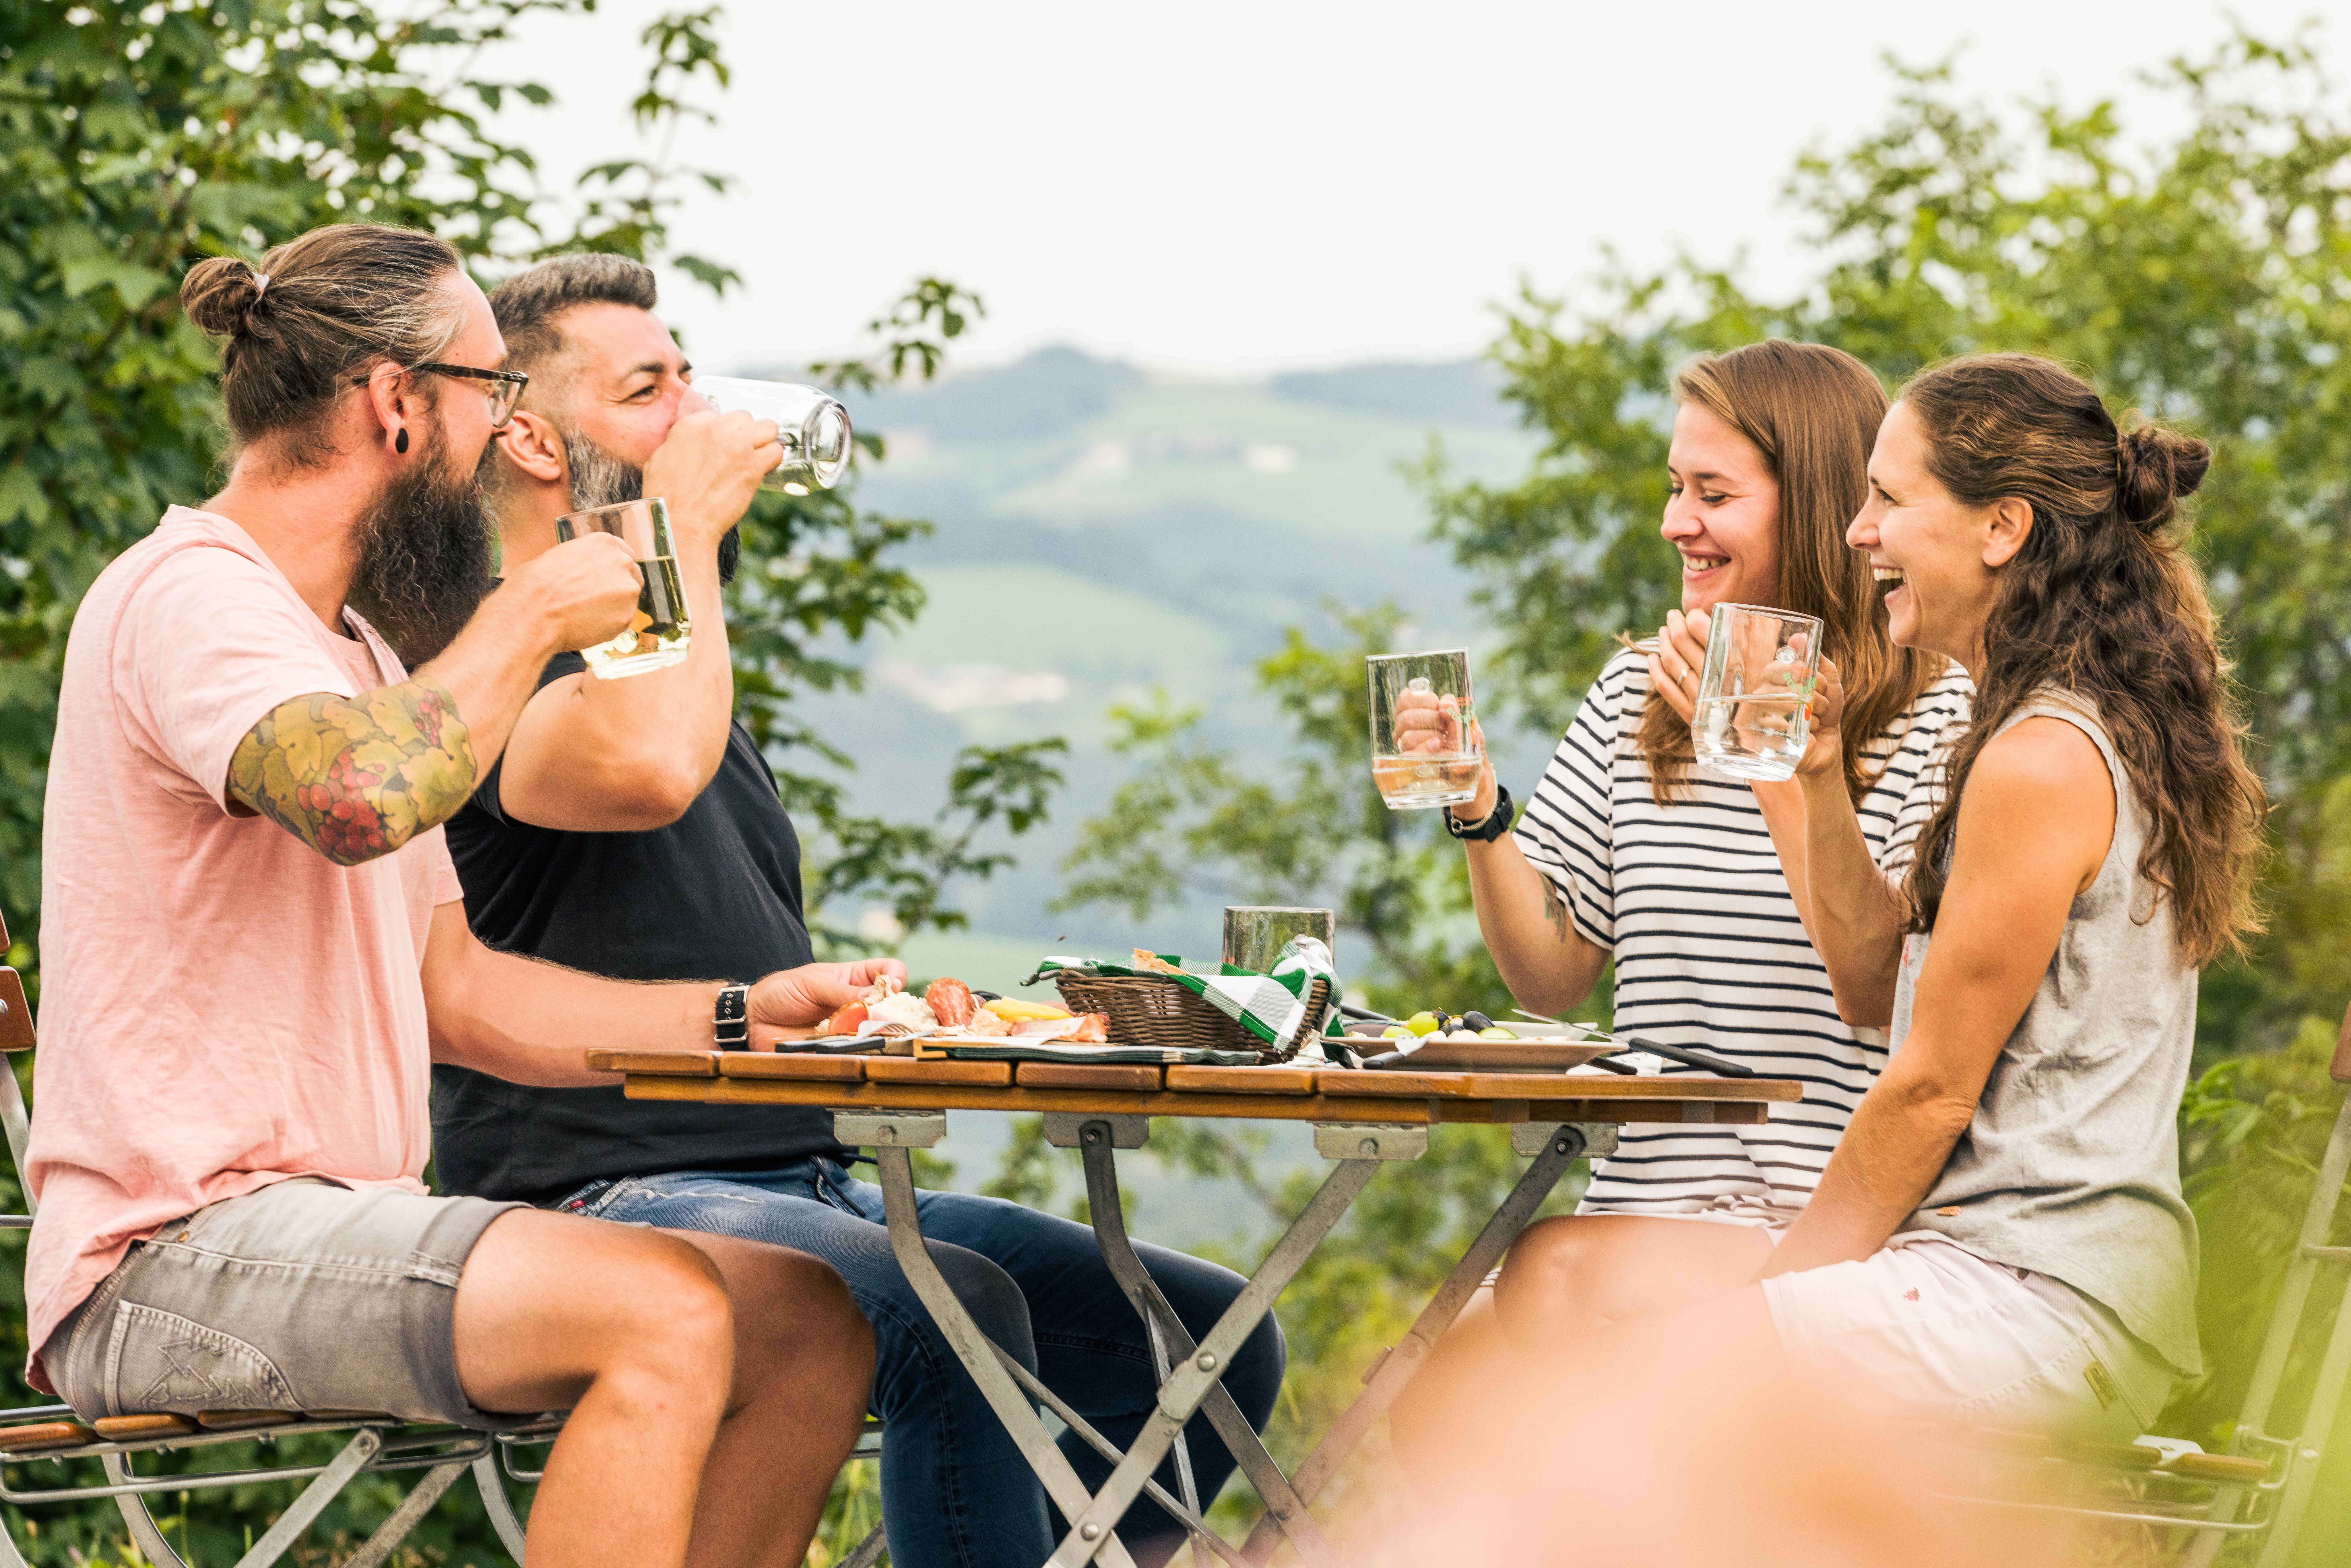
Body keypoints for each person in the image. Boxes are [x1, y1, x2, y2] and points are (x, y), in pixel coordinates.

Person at [32, 223, 883, 1568]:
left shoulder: (354, 648)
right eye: (492, 394)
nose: (502, 436)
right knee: (661, 1309)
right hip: (171, 1254)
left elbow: (464, 992)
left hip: (340, 1228)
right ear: (393, 404)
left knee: (809, 1320)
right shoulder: (194, 596)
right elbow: (360, 798)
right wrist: (537, 610)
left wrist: (735, 1014)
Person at [427, 253, 1285, 1568]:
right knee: (965, 1316)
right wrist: (677, 528)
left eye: (690, 380)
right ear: (532, 436)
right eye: (650, 389)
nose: (701, 419)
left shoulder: (674, 662)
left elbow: (694, 905)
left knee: (1209, 1330)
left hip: (811, 1173)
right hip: (601, 1194)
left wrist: (858, 1001)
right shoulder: (487, 659)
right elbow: (642, 771)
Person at [1593, 350, 2255, 1435]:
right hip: (1992, 1277)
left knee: (1625, 1414)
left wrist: (1769, 1298)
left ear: (2002, 531)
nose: (1858, 534)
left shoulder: (2040, 757)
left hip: (2033, 1294)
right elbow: (1871, 982)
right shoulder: (2041, 723)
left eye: (1888, 500)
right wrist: (1806, 772)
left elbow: (1930, 1091)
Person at [1387, 341, 1971, 1466]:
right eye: (1672, 487)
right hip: (1636, 1205)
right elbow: (1550, 975)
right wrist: (1474, 805)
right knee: (1422, 1406)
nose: (1674, 523)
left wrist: (1781, 762)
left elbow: (1882, 987)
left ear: (1810, 508)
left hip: (1819, 1224)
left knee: (1507, 1417)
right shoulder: (1632, 694)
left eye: (1712, 494)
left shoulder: (1938, 717)